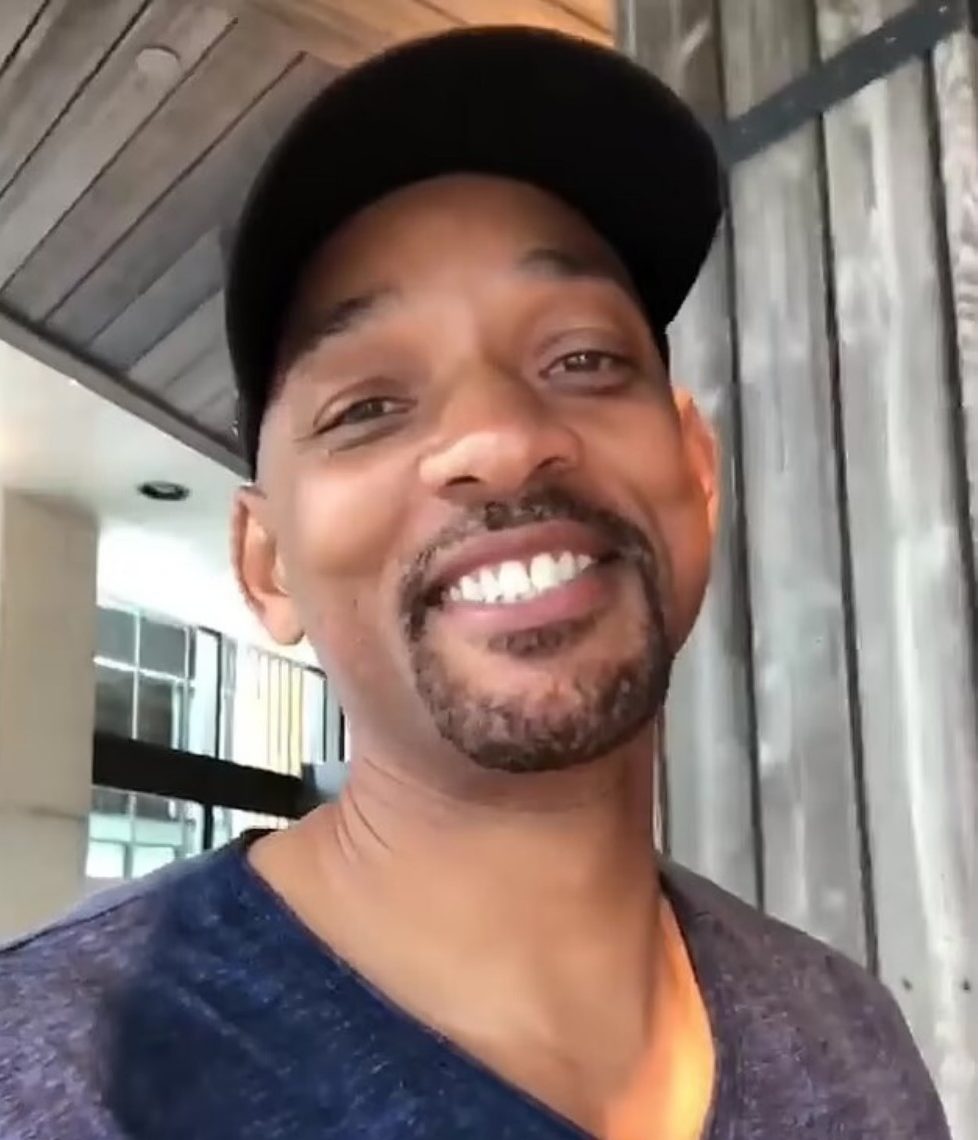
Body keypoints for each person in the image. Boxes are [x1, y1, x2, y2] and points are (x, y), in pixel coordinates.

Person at [0, 26, 950, 1140]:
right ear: (268, 565)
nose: (501, 438)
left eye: (583, 359)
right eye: (368, 407)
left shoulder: (852, 1034)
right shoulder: (51, 1077)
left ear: (696, 474)